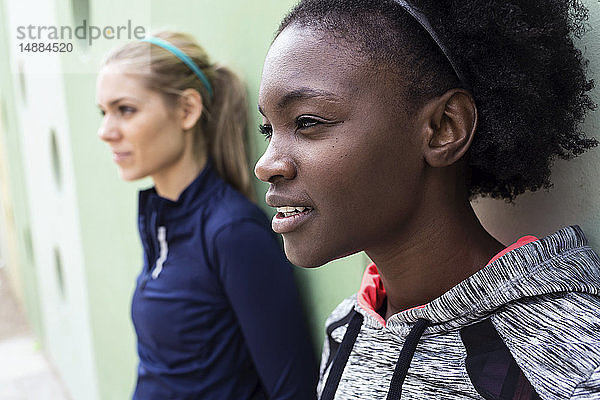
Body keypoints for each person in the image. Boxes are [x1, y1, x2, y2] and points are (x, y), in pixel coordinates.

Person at [254, 1, 600, 399]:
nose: (266, 165)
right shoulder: (345, 328)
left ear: (443, 128)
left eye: (307, 121)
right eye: (269, 129)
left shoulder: (567, 362)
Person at [96, 31, 317, 399]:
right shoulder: (161, 218)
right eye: (103, 112)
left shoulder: (232, 231)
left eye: (126, 109)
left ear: (187, 110)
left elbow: (294, 390)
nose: (105, 131)